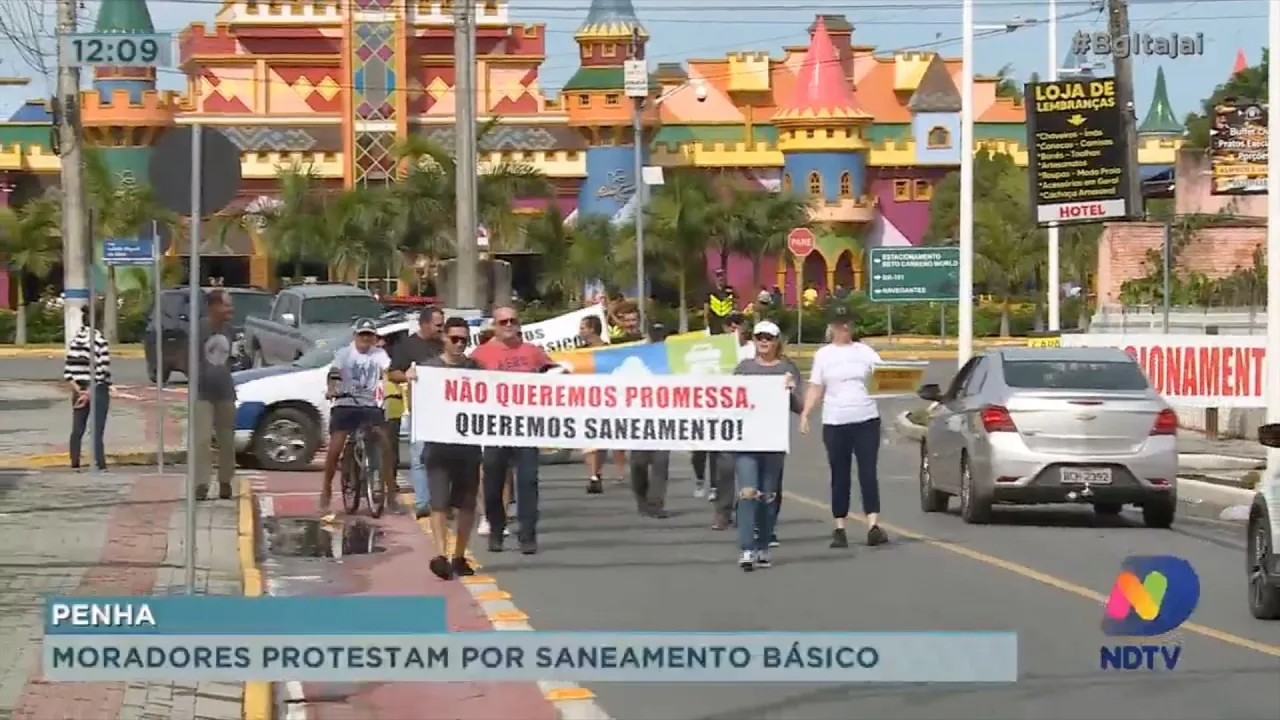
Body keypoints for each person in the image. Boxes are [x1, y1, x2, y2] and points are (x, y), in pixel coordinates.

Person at [799, 305, 889, 549]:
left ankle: (873, 525)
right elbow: (816, 386)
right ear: (831, 327)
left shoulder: (865, 352)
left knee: (868, 472)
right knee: (840, 474)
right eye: (839, 324)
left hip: (866, 418)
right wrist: (806, 413)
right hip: (836, 421)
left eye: (847, 323)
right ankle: (840, 526)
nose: (844, 328)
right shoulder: (824, 355)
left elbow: (885, 377)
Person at [471, 305, 553, 554]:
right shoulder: (480, 354)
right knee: (493, 481)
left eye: (513, 321)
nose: (508, 325)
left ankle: (528, 534)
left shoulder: (533, 352)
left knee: (528, 481)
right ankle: (496, 529)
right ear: (494, 325)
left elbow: (554, 373)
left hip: (526, 427)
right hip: (495, 426)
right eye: (503, 321)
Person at [732, 320, 803, 570]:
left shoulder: (787, 368)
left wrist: (791, 390)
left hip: (773, 441)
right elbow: (730, 401)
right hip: (747, 440)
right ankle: (746, 549)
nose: (763, 341)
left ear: (776, 341)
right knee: (748, 492)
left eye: (768, 338)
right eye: (759, 337)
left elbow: (800, 406)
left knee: (768, 496)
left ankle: (763, 545)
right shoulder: (744, 368)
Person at [419, 317, 483, 579]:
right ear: (444, 337)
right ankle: (440, 555)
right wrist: (412, 378)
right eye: (454, 339)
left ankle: (459, 555)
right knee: (439, 503)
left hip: (467, 446)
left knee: (466, 504)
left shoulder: (476, 369)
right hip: (438, 446)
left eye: (464, 340)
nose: (459, 344)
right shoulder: (429, 368)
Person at [320, 319, 392, 522]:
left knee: (384, 441)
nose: (366, 339)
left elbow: (388, 371)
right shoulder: (345, 354)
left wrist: (390, 388)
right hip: (345, 403)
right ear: (355, 336)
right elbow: (334, 373)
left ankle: (388, 490)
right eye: (362, 334)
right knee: (335, 448)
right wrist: (333, 389)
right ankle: (325, 490)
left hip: (368, 404)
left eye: (370, 335)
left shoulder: (379, 354)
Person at [387, 307, 445, 518]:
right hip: (420, 409)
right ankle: (422, 502)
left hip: (444, 410)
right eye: (438, 325)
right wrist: (407, 376)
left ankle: (442, 502)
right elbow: (393, 372)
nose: (441, 329)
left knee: (444, 459)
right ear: (424, 324)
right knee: (419, 457)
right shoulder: (408, 345)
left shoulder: (444, 345)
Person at [694, 312, 749, 501]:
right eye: (731, 327)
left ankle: (724, 487)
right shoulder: (716, 347)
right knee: (709, 448)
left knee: (729, 450)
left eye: (739, 326)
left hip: (740, 406)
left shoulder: (750, 349)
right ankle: (706, 481)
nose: (735, 330)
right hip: (714, 403)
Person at [193, 289, 237, 500]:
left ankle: (225, 482)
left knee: (227, 439)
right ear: (213, 307)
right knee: (202, 439)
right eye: (226, 305)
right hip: (202, 392)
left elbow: (234, 360)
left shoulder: (230, 330)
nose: (230, 309)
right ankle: (201, 483)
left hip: (226, 392)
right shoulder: (199, 329)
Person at [579, 315, 625, 494]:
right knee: (590, 439)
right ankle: (594, 476)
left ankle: (615, 473)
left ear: (592, 329)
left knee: (609, 438)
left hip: (609, 399)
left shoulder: (609, 350)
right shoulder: (579, 352)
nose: (580, 331)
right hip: (586, 401)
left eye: (583, 327)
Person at [63, 305, 111, 471]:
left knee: (77, 428)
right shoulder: (100, 341)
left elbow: (68, 372)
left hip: (79, 390)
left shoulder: (75, 341)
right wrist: (90, 393)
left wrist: (80, 392)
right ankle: (99, 463)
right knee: (97, 431)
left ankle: (74, 461)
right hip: (97, 390)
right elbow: (102, 372)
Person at [705, 269, 736, 335]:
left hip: (727, 322)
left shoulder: (730, 291)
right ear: (715, 278)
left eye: (722, 276)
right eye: (718, 276)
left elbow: (735, 305)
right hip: (714, 322)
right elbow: (706, 308)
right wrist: (706, 324)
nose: (720, 278)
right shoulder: (710, 292)